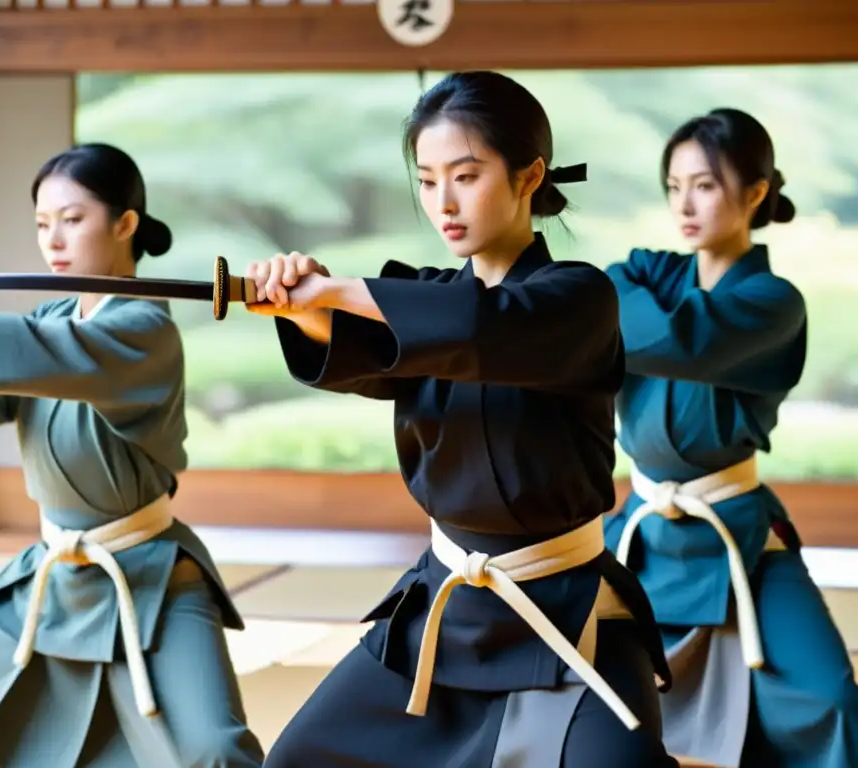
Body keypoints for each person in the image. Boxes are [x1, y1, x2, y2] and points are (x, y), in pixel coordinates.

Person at [241, 70, 680, 767]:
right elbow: (376, 352)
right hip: (444, 607)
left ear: (529, 174)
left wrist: (338, 292)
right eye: (426, 180)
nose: (442, 202)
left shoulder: (579, 297)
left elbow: (479, 332)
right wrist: (307, 312)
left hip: (563, 609)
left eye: (466, 176)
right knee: (297, 758)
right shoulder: (427, 301)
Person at [603, 108, 858, 768]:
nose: (683, 204)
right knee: (557, 681)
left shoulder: (774, 301)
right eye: (673, 185)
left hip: (737, 532)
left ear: (754, 193)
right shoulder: (654, 275)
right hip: (642, 535)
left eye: (705, 185)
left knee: (826, 698)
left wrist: (626, 315)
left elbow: (675, 339)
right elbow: (607, 287)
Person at [0, 143, 265, 767]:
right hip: (55, 575)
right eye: (41, 223)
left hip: (151, 577)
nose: (53, 239)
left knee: (212, 752)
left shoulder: (145, 327)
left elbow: (45, 352)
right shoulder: (53, 316)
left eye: (72, 218)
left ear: (125, 224)